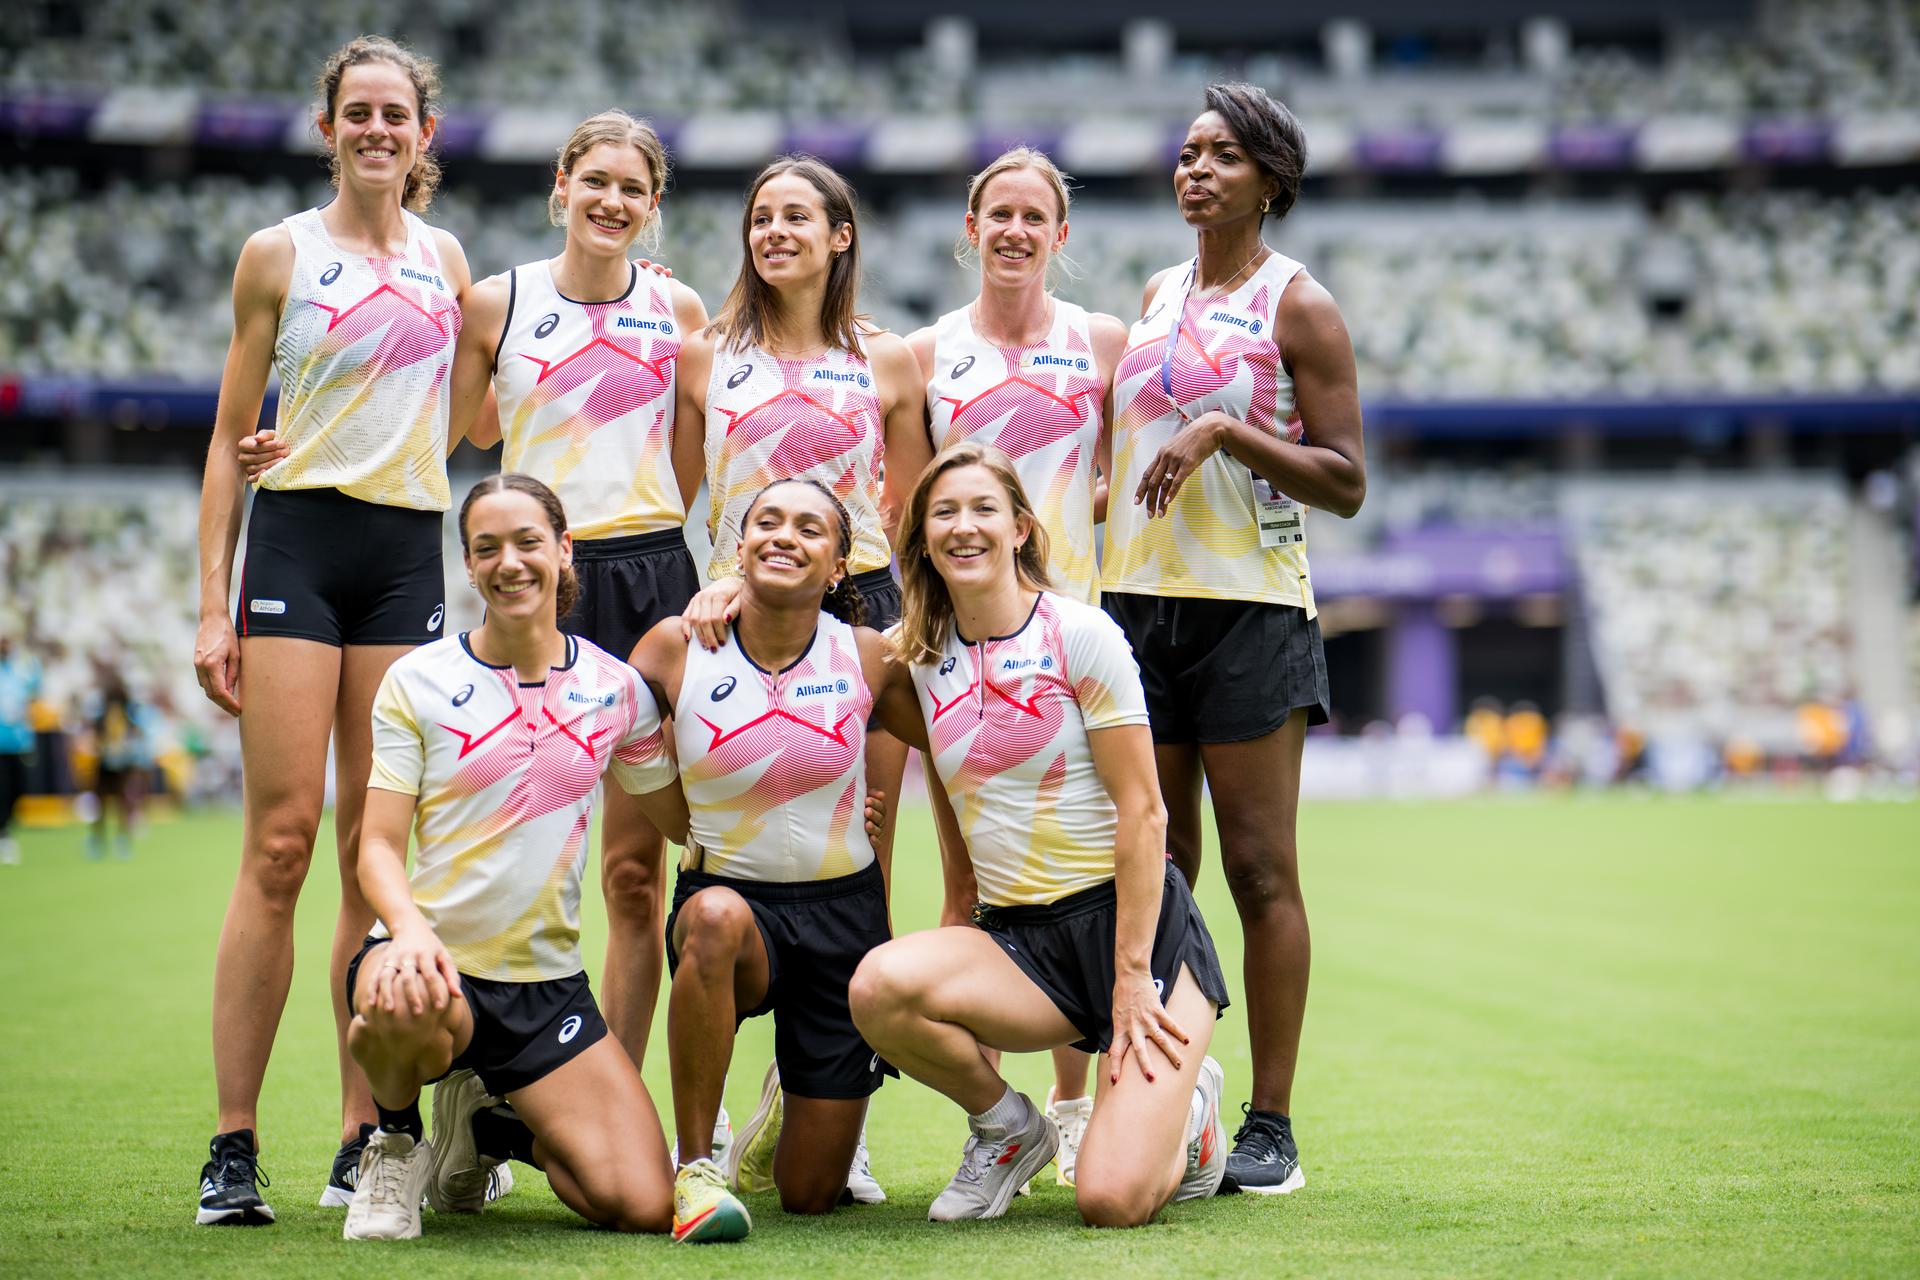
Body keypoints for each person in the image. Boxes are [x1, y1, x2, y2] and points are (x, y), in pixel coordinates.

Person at [240, 112, 713, 1109]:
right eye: (595, 180)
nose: (611, 201)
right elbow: (440, 424)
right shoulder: (496, 302)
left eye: (633, 188)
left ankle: (610, 1099)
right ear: (562, 184)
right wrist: (296, 442)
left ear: (653, 205)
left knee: (633, 878)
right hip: (537, 578)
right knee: (496, 839)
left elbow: (692, 456)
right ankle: (477, 1095)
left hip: (648, 578)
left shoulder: (679, 308)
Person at [190, 35, 472, 1224]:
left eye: (395, 113)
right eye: (357, 111)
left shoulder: (448, 259)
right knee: (280, 843)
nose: (376, 129)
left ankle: (366, 1134)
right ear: (328, 128)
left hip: (405, 552)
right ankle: (234, 1141)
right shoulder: (279, 252)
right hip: (299, 545)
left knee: (374, 846)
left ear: (422, 133)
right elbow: (227, 439)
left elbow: (471, 404)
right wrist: (212, 601)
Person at [850, 442, 1233, 1227]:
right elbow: (799, 643)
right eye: (944, 513)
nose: (964, 527)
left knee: (1110, 1200)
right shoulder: (917, 657)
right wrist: (721, 595)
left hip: (1140, 936)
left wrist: (1132, 976)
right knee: (876, 989)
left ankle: (1191, 1112)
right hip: (1025, 948)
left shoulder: (1081, 633)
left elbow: (1146, 813)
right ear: (922, 538)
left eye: (983, 509)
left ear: (1021, 527)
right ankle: (1008, 1130)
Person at [1102, 82, 1368, 1195]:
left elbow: (1345, 481)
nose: (1196, 170)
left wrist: (1226, 430)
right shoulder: (1157, 292)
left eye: (1222, 155)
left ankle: (1273, 1123)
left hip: (1250, 608)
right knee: (1158, 869)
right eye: (1188, 153)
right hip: (1136, 605)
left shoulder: (1299, 305)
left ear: (1271, 181)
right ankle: (1173, 1098)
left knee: (1260, 870)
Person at [674, 155, 932, 1202]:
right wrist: (711, 588)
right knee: (721, 832)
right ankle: (702, 1118)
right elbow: (680, 494)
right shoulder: (705, 355)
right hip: (739, 603)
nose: (775, 231)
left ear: (841, 236)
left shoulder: (888, 358)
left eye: (797, 216)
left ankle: (828, 1088)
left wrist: (908, 625)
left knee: (866, 841)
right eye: (761, 217)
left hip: (861, 603)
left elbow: (908, 511)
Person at [340, 473, 683, 1241]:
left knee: (639, 1203)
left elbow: (682, 820)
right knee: (397, 1000)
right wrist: (408, 931)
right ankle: (395, 1143)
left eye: (528, 542)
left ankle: (491, 1128)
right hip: (431, 963)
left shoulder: (617, 688)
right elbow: (378, 846)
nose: (510, 563)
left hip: (546, 990)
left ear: (565, 551)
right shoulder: (418, 681)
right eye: (487, 548)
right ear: (468, 564)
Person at [905, 146, 1128, 1187]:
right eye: (999, 213)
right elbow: (921, 506)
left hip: (1071, 642)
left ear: (1060, 234)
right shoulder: (928, 353)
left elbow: (1110, 474)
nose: (1015, 230)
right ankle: (996, 1121)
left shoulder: (1102, 342)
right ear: (971, 225)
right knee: (974, 879)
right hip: (965, 650)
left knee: (1079, 868)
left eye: (1036, 216)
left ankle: (1075, 1110)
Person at [629, 479, 903, 1241]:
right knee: (714, 917)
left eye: (810, 528)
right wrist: (681, 821)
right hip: (730, 911)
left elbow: (958, 731)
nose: (785, 536)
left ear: (840, 565)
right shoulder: (674, 646)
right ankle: (696, 1167)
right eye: (767, 523)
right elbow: (610, 733)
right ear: (739, 546)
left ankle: (788, 1100)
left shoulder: (869, 654)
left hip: (844, 918)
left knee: (810, 1195)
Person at [87, 671, 153, 860]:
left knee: (115, 804)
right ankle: (109, 840)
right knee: (112, 804)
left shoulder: (116, 719)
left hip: (118, 766)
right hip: (110, 766)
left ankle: (107, 840)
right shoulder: (116, 719)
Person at [0, 637, 42, 866]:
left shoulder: (20, 671)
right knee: (3, 789)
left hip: (19, 742)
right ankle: (3, 833)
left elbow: (35, 689)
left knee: (20, 788)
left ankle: (6, 827)